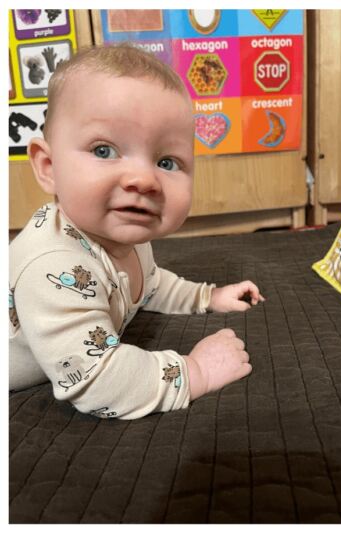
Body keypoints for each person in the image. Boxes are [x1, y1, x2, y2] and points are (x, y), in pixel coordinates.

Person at [9, 44, 265, 419]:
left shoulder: (125, 236)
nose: (144, 179)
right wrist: (195, 371)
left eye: (166, 161)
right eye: (103, 151)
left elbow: (150, 285)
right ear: (49, 166)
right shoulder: (53, 269)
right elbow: (94, 379)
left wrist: (207, 297)